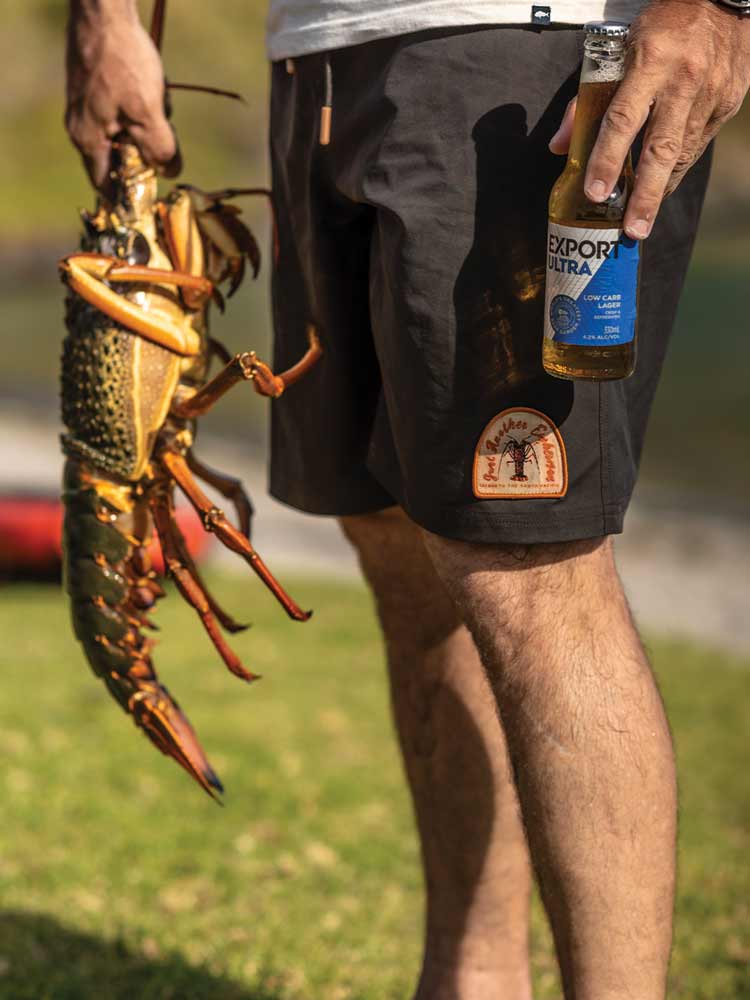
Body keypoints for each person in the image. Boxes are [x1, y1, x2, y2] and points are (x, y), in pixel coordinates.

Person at [65, 1, 750, 997]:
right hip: (318, 58)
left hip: (519, 50)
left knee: (529, 569)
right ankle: (472, 980)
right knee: (396, 538)